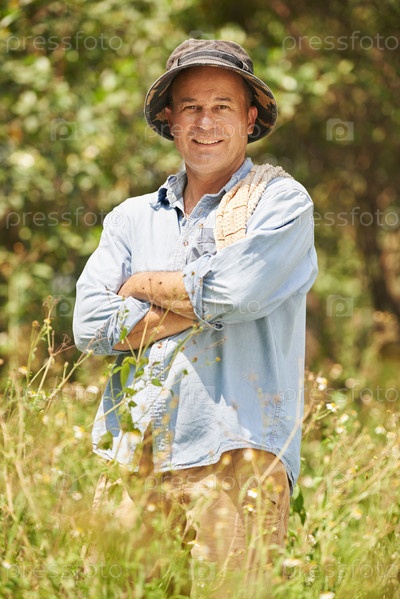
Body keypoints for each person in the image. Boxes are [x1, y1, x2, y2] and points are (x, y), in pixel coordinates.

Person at [73, 38, 318, 596]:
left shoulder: (280, 202)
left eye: (222, 106)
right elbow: (88, 325)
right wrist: (205, 301)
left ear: (250, 118)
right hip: (134, 456)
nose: (206, 122)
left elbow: (237, 291)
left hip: (240, 455)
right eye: (191, 107)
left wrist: (140, 285)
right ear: (170, 118)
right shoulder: (130, 218)